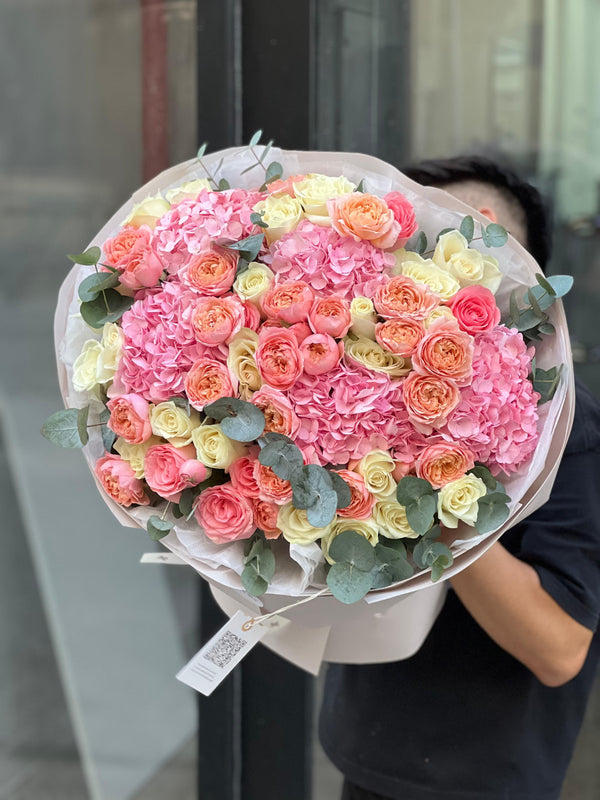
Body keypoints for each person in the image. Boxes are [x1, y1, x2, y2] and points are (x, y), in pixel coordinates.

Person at [319, 155, 600, 800]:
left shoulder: (568, 430)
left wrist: (427, 485)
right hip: (365, 748)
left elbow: (561, 649)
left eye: (417, 247)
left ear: (485, 247)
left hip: (478, 775)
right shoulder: (354, 394)